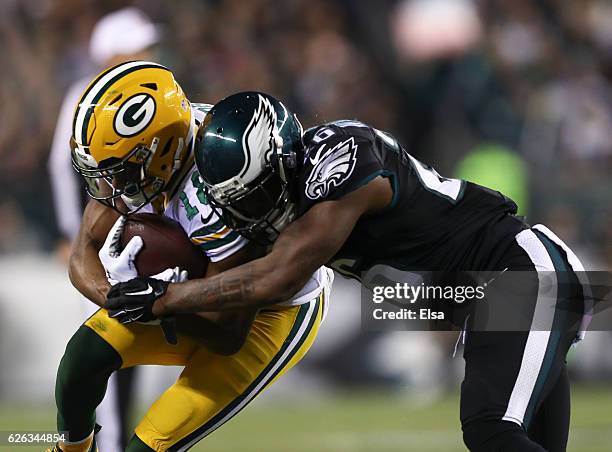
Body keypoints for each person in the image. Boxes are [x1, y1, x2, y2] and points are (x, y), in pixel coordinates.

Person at [107, 91, 588, 451]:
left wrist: (165, 298)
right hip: (481, 295)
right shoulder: (284, 190)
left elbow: (277, 277)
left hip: (517, 271)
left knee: (489, 428)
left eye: (249, 195)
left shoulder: (344, 162)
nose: (245, 212)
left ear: (279, 163)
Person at [49, 68, 332, 452]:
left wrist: (160, 301)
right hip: (185, 296)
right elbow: (82, 248)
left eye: (124, 172)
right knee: (80, 361)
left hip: (268, 310)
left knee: (149, 446)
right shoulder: (159, 144)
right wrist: (116, 294)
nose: (112, 190)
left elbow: (227, 332)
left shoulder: (221, 183)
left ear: (160, 152)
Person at [47, 8, 161, 450]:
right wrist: (68, 234)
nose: (150, 52)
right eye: (141, 45)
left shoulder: (138, 95)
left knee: (131, 345)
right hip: (105, 240)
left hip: (134, 234)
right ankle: (107, 443)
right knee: (109, 345)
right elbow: (62, 166)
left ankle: (112, 439)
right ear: (112, 52)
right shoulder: (86, 94)